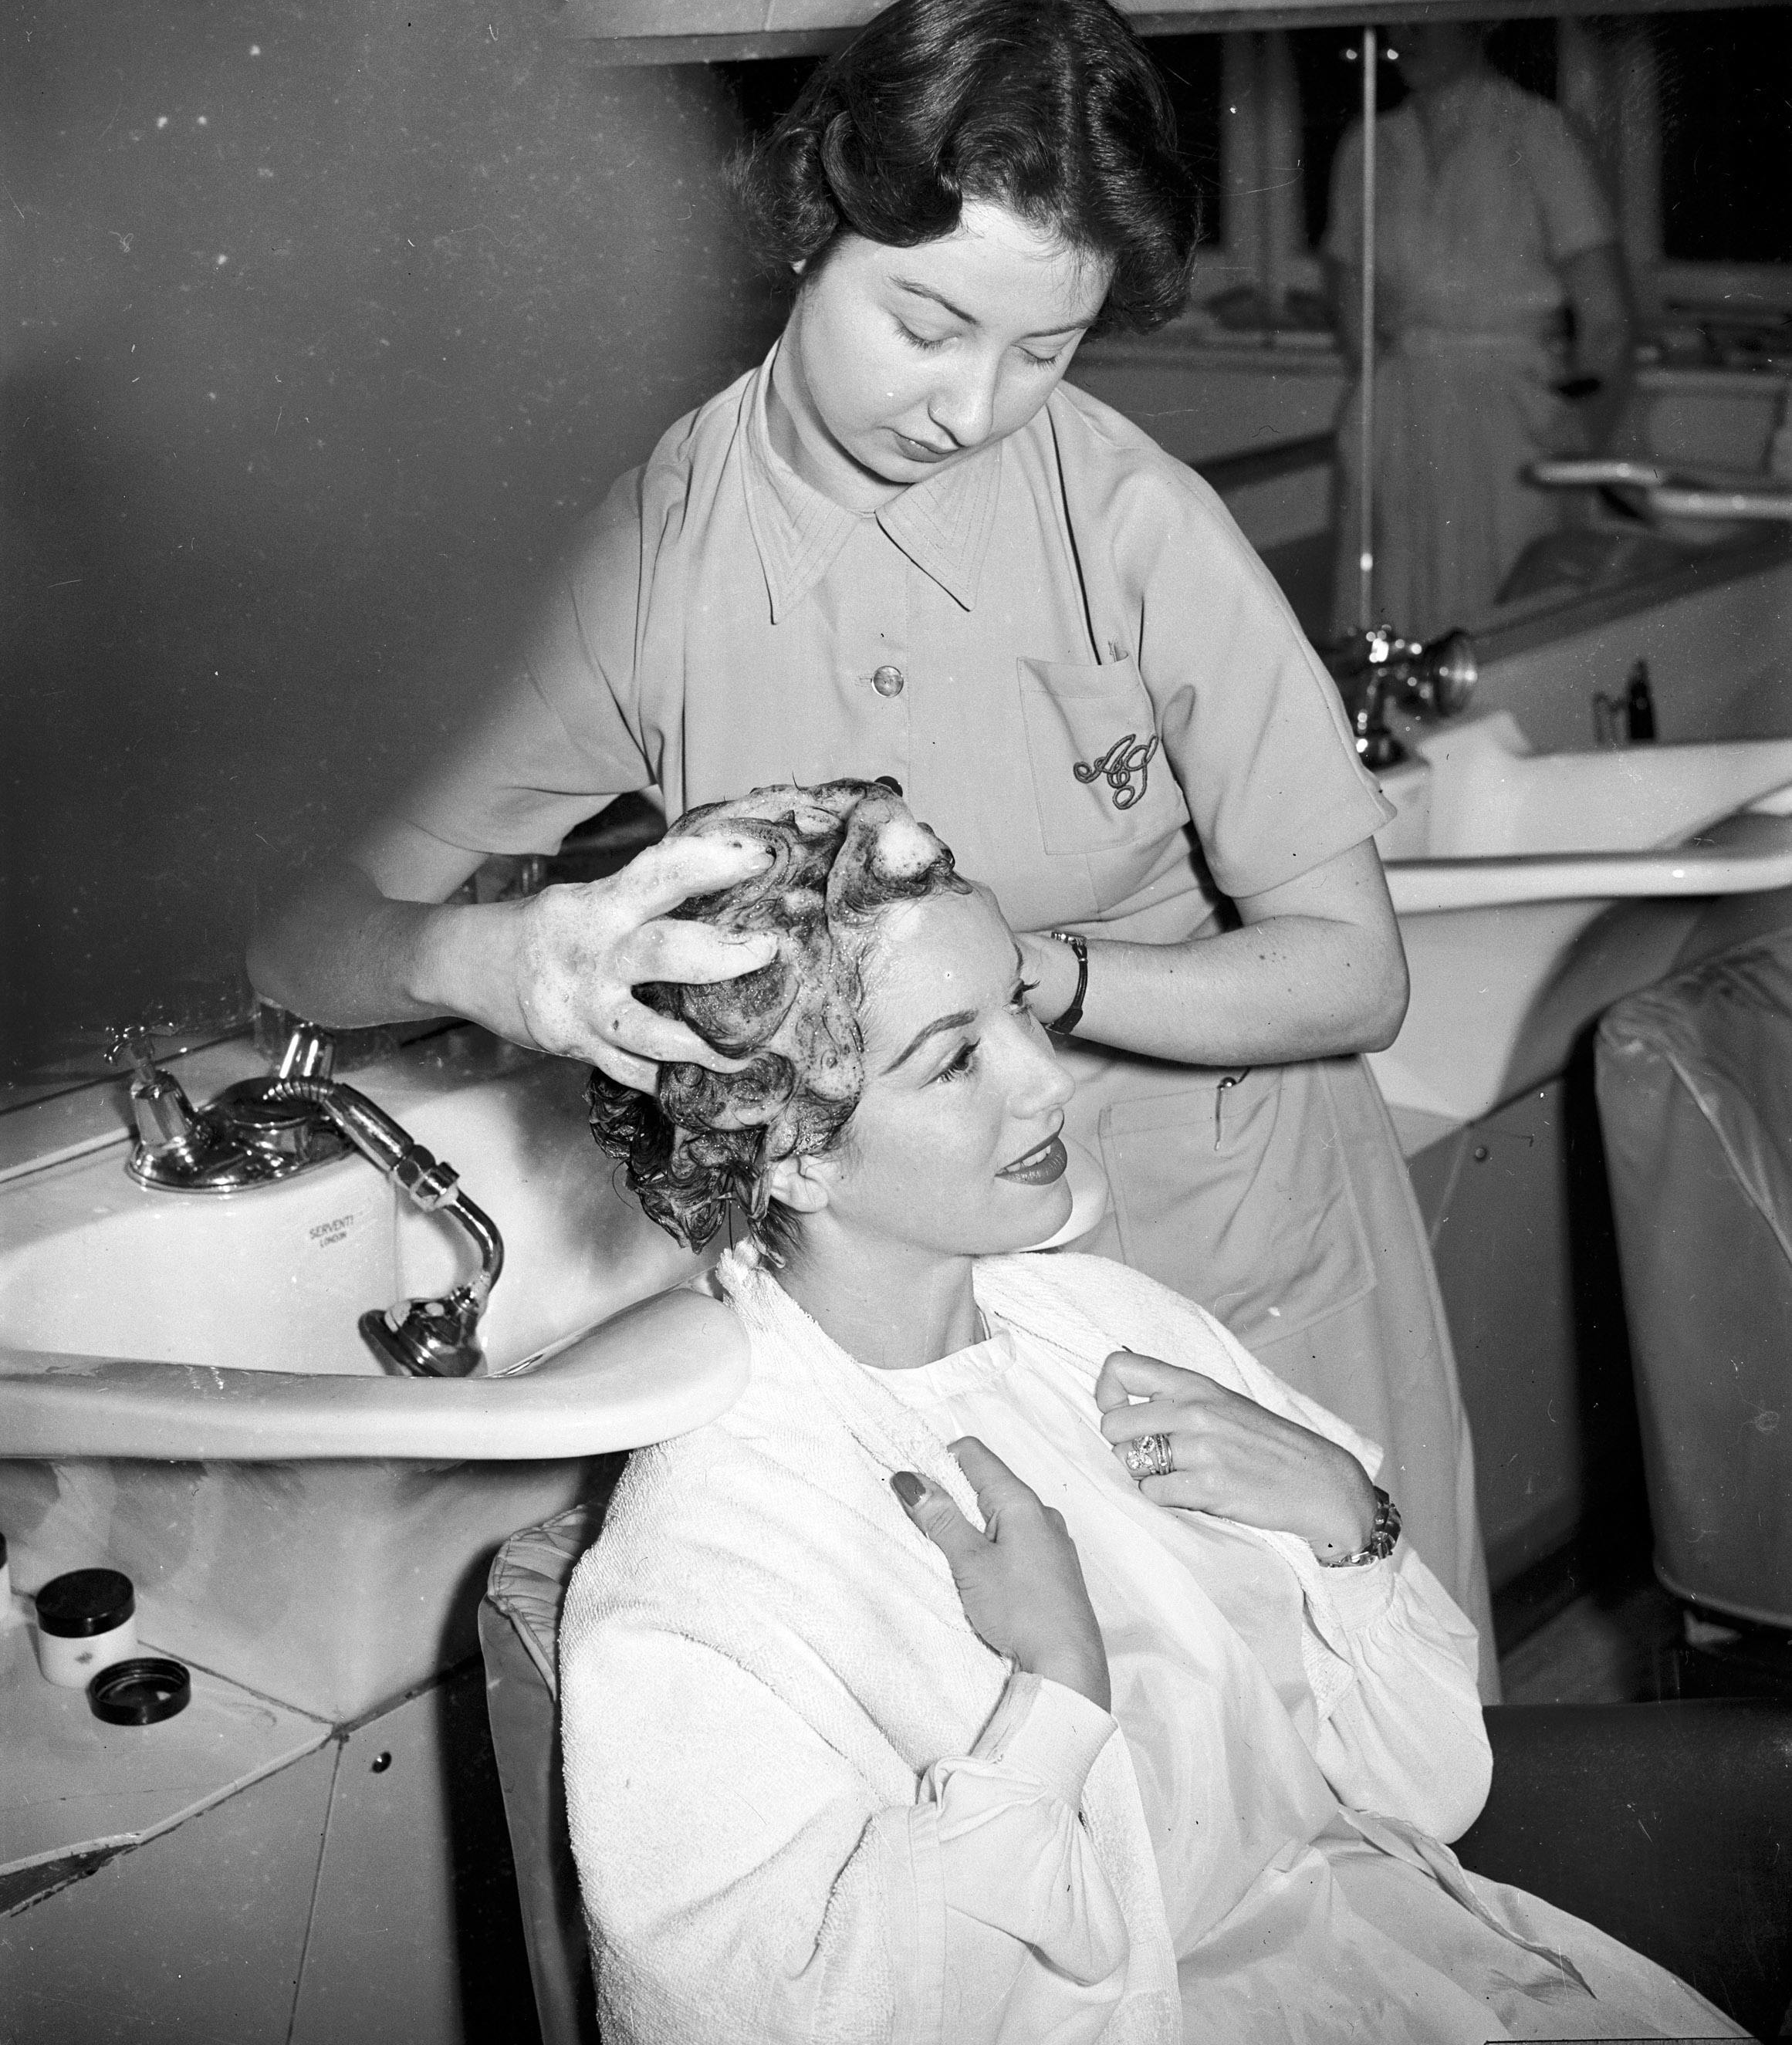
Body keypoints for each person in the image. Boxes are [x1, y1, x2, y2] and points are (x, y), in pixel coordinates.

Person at [249, 0, 1495, 1684]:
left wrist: (1022, 986)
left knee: (1353, 1753)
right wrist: (505, 956)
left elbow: (1353, 977)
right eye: (928, 326)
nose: (975, 409)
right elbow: (301, 935)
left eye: (1044, 349)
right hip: (932, 1312)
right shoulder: (652, 564)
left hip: (1242, 1260)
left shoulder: (1131, 524)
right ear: (814, 223)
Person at [560, 780, 1737, 2045]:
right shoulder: (708, 1561)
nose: (1047, 1081)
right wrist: (1052, 1696)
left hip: (1406, 1969)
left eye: (1017, 1003)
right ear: (792, 1149)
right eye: (957, 1057)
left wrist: (1350, 1522)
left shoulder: (1108, 1329)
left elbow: (1433, 1786)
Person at [1325, 22, 1635, 641]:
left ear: (1480, 23)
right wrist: (1380, 391)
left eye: (1429, 16)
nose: (1406, 36)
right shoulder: (1371, 144)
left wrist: (1574, 437)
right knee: (1392, 614)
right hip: (1402, 421)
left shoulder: (1538, 132)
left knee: (1504, 618)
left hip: (1513, 423)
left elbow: (1608, 320)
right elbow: (1348, 290)